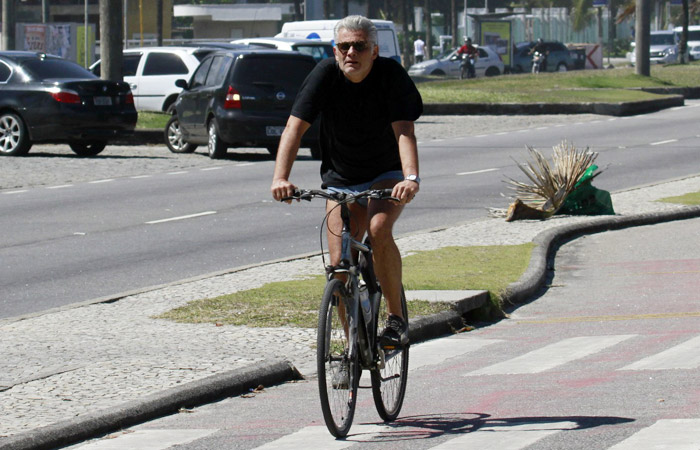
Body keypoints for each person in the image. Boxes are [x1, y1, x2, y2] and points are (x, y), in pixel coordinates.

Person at [271, 15, 422, 348]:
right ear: (335, 50)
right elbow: (294, 129)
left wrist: (411, 177)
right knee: (339, 268)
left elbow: (405, 132)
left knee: (380, 229)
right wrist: (281, 178)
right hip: (341, 179)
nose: (351, 52)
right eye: (344, 46)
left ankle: (396, 320)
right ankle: (353, 346)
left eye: (359, 46)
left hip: (387, 174)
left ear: (374, 51)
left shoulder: (390, 76)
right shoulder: (324, 76)